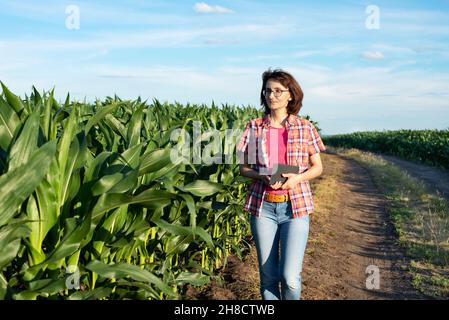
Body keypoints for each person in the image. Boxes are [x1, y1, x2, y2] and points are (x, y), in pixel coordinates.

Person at [237, 68, 326, 300]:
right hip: (263, 207)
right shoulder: (254, 127)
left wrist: (297, 178)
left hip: (295, 208)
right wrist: (261, 176)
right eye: (268, 91)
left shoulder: (305, 127)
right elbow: (243, 168)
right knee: (268, 276)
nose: (272, 95)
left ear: (290, 95)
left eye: (278, 91)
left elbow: (318, 167)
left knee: (290, 278)